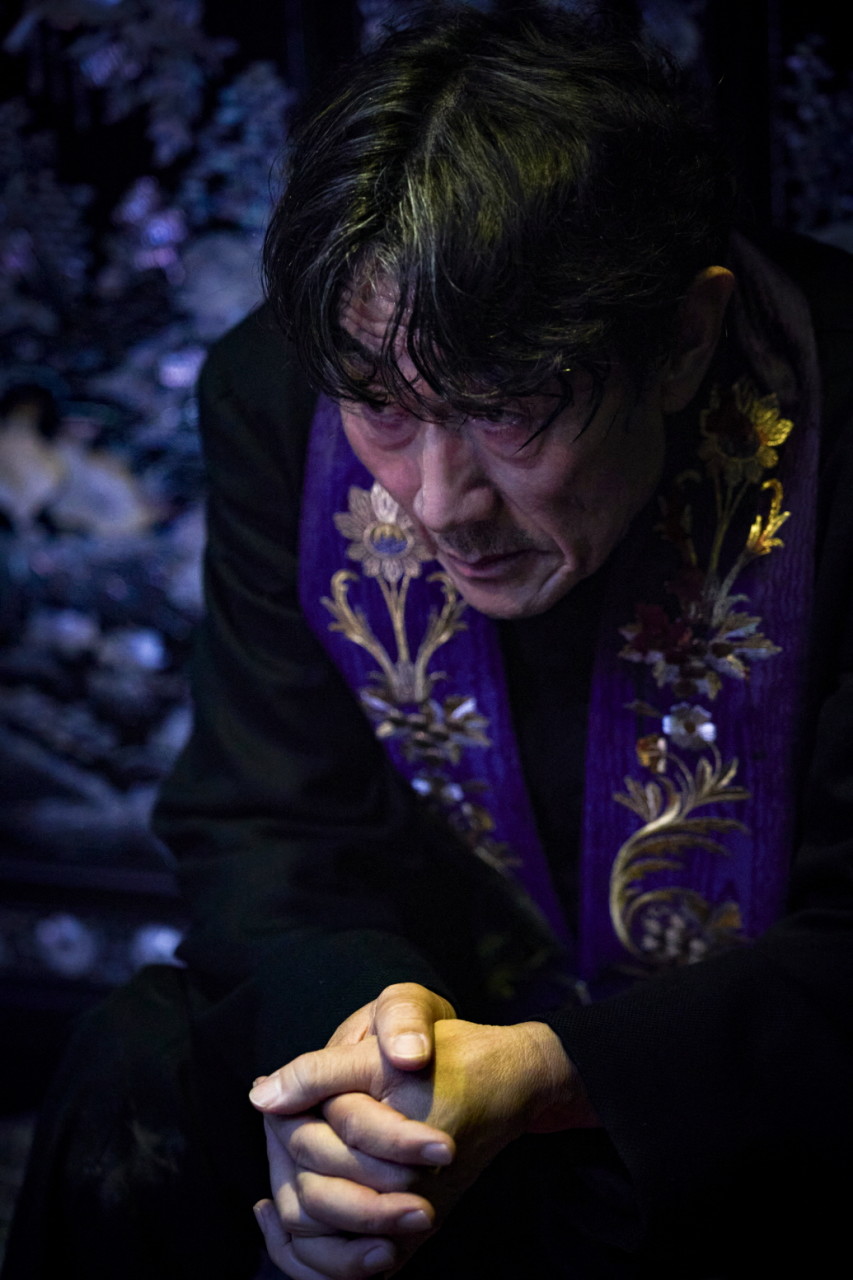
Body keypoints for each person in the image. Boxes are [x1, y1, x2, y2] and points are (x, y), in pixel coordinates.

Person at [4, 6, 853, 1279]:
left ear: (681, 341)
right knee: (140, 1062)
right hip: (432, 1032)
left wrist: (556, 1072)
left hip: (734, 1087)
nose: (434, 503)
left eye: (505, 411)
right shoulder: (282, 391)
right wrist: (377, 1065)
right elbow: (269, 823)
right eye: (383, 413)